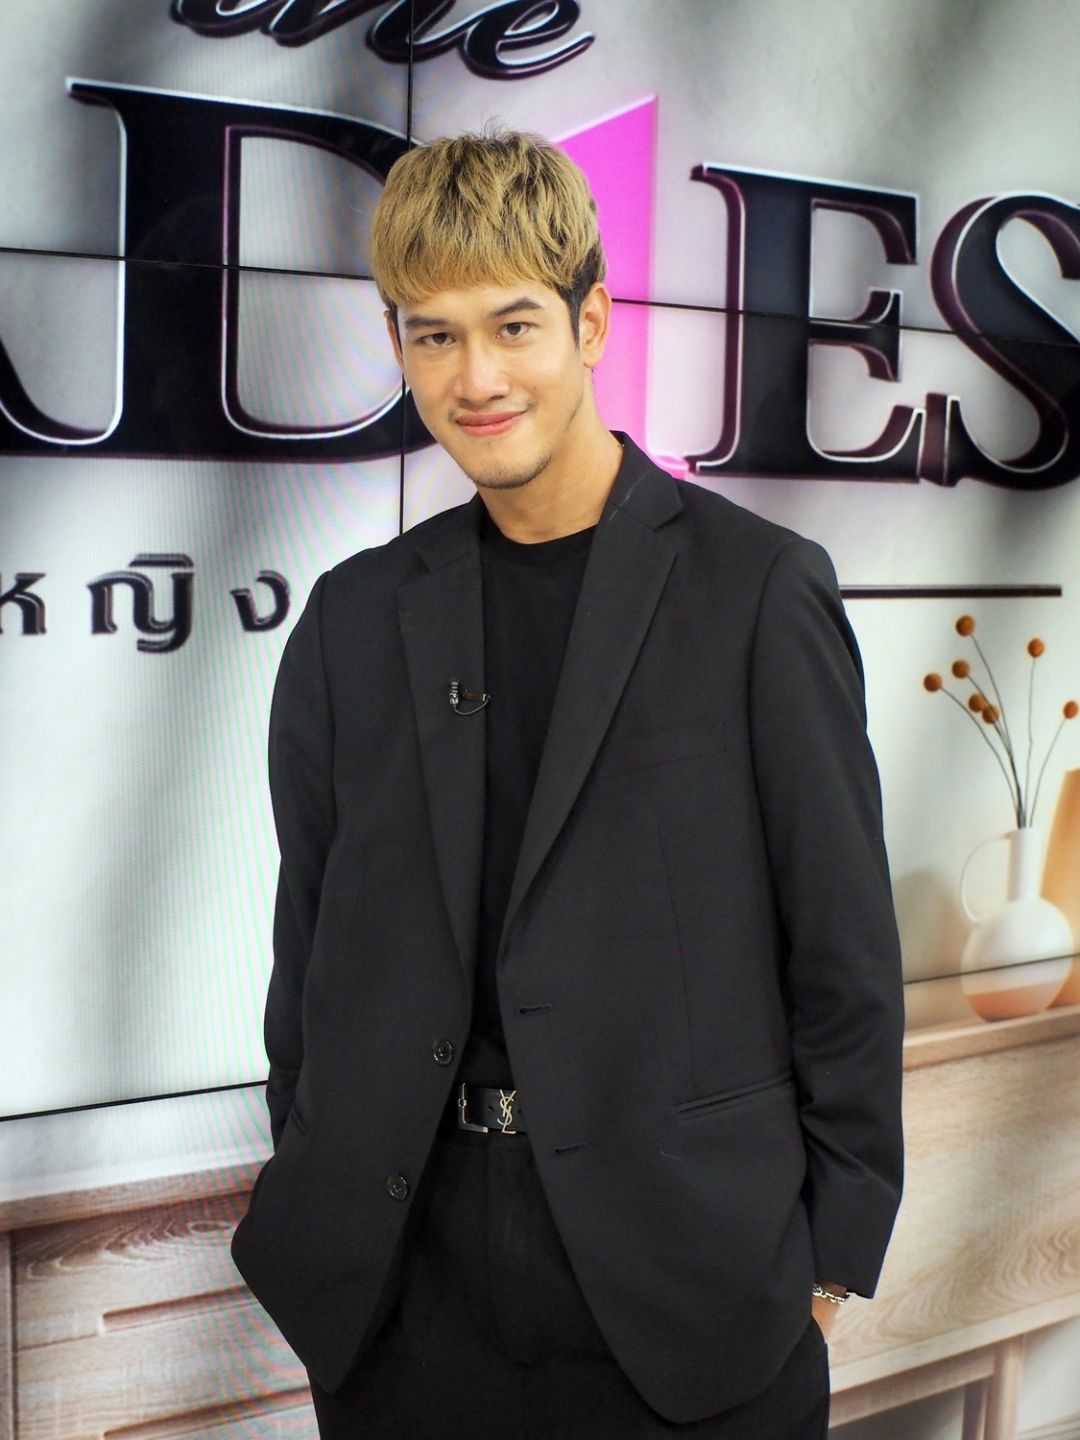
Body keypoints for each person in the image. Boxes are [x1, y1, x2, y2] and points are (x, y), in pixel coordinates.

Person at [231, 129, 904, 1439]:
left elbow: (845, 963)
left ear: (591, 323)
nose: (476, 378)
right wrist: (317, 1172)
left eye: (514, 325)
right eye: (433, 336)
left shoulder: (758, 592)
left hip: (691, 1299)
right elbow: (307, 953)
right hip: (404, 1300)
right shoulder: (352, 619)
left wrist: (824, 1267)